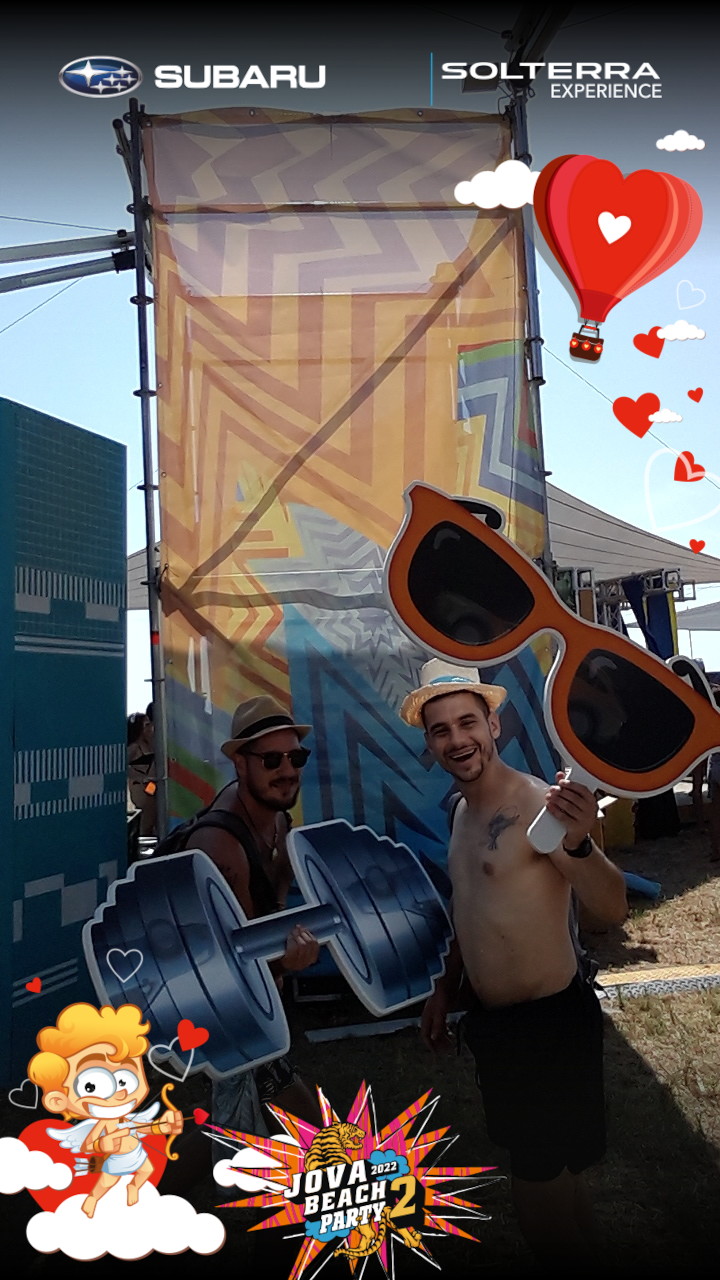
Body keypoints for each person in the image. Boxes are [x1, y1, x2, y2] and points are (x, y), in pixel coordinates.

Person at [401, 658, 627, 1269]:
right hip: (499, 1029)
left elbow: (611, 908)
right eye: (441, 729)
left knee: (539, 1205)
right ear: (429, 742)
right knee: (559, 1183)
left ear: (494, 725)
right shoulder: (460, 812)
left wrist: (579, 842)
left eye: (467, 723)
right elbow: (470, 908)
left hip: (549, 1026)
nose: (457, 740)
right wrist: (446, 987)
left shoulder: (537, 805)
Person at [171, 695, 323, 1157]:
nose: (287, 770)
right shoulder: (220, 848)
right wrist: (286, 963)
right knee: (312, 1133)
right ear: (240, 763)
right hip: (223, 1013)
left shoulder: (277, 817)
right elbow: (229, 967)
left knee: (227, 1129)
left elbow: (265, 914)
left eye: (296, 757)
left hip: (252, 1003)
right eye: (271, 760)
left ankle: (130, 1195)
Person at [29, 1002, 182, 1218]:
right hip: (118, 1159)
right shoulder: (103, 1123)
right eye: (92, 1085)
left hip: (136, 1154)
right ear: (59, 1100)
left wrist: (162, 1126)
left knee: (146, 1170)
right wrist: (103, 1144)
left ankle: (134, 1187)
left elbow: (143, 1128)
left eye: (125, 1079)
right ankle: (92, 1199)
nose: (120, 1093)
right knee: (107, 1182)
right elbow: (88, 1144)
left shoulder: (125, 1118)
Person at [127, 711, 156, 836]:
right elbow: (121, 767)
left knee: (154, 809)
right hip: (140, 786)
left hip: (152, 786)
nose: (150, 728)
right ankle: (143, 836)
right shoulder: (134, 747)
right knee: (148, 811)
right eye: (146, 725)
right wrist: (140, 777)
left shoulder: (152, 745)